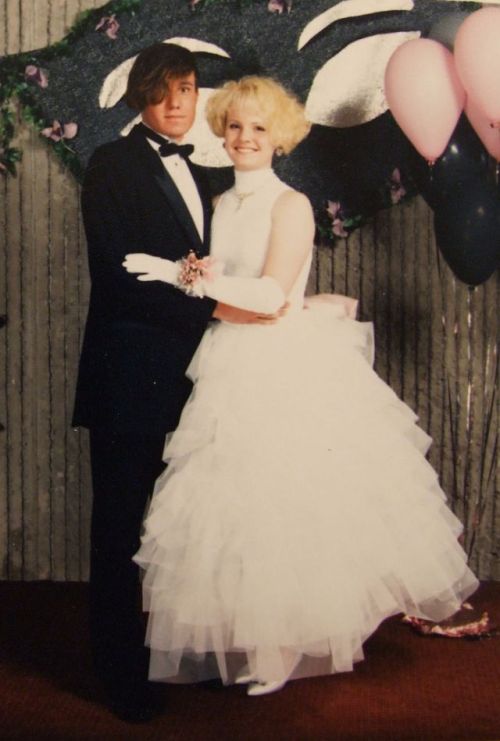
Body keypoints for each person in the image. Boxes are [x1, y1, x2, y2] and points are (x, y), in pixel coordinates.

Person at [123, 76, 478, 697]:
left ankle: (284, 646)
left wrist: (183, 279)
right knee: (234, 509)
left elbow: (269, 296)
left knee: (282, 502)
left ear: (279, 138)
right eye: (235, 126)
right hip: (227, 359)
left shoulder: (289, 204)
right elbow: (232, 288)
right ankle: (258, 641)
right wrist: (200, 275)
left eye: (259, 129)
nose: (245, 139)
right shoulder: (223, 204)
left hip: (278, 363)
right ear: (222, 131)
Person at [72, 45, 274, 722]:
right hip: (129, 377)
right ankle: (121, 675)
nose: (177, 104)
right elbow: (119, 277)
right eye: (162, 92)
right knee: (122, 530)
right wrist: (214, 305)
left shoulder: (207, 173)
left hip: (193, 379)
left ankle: (193, 655)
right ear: (139, 97)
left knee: (189, 527)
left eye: (186, 90)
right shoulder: (110, 164)